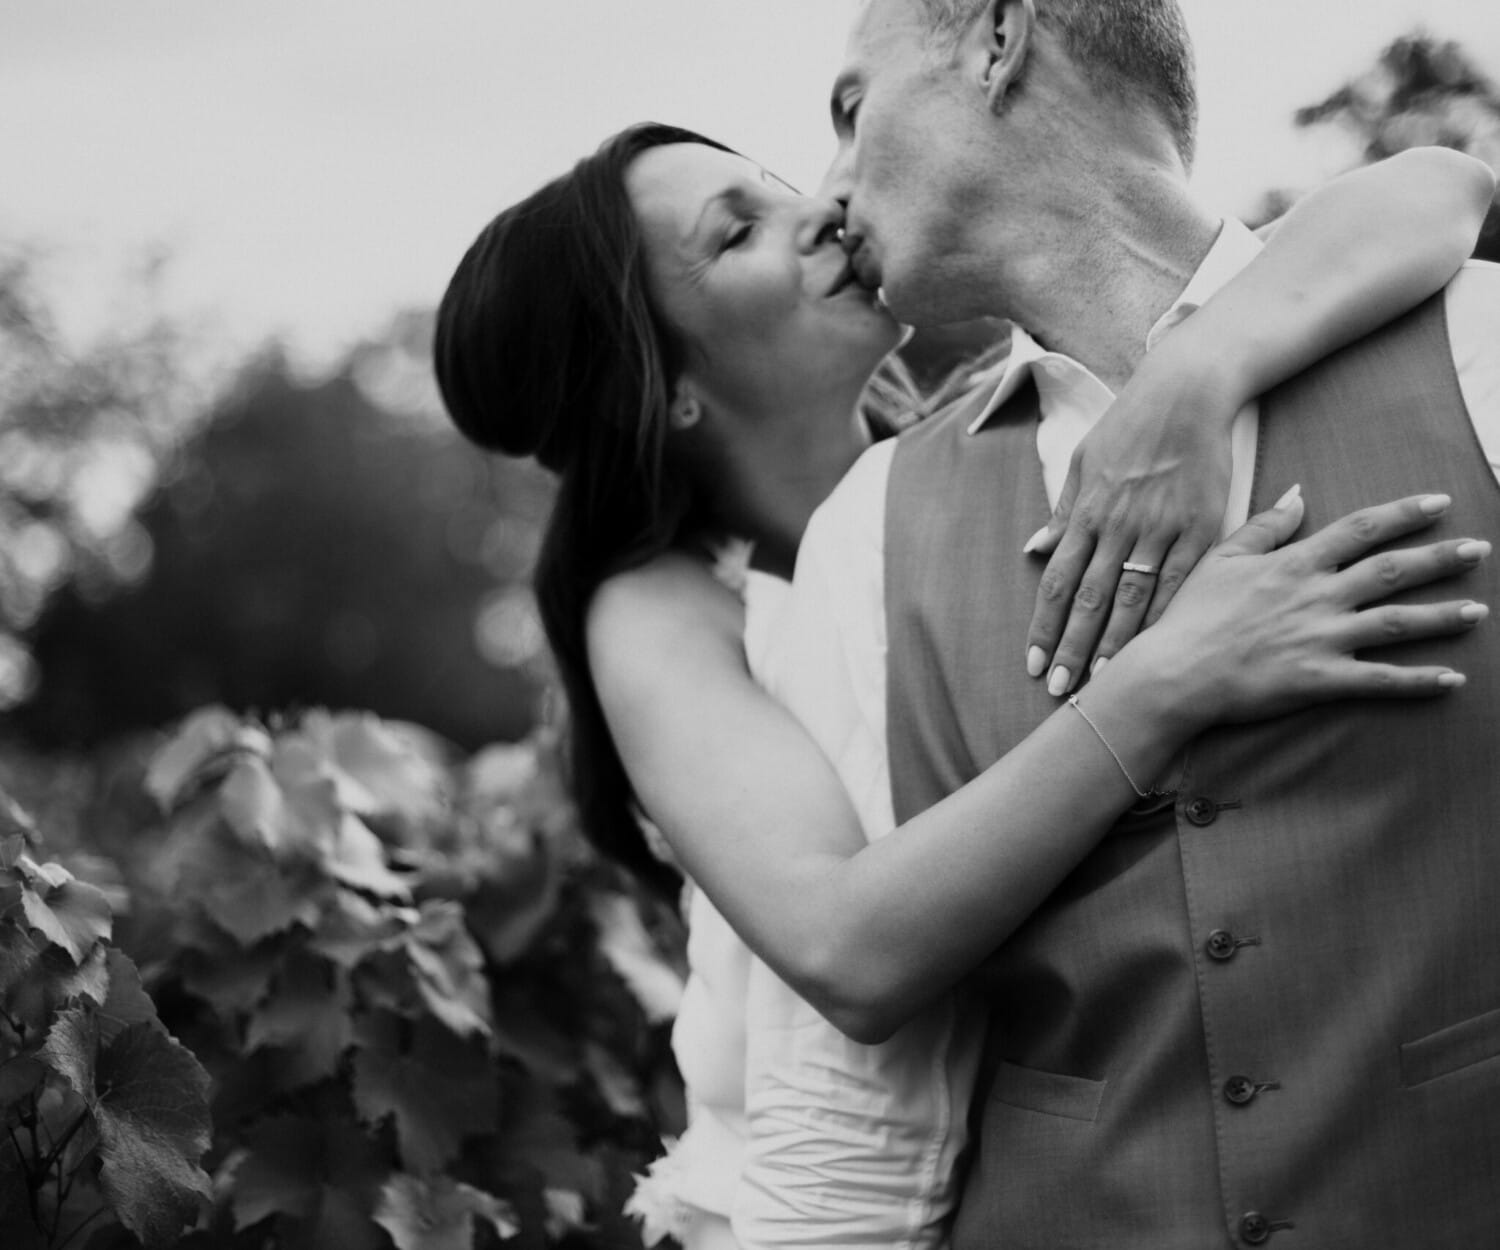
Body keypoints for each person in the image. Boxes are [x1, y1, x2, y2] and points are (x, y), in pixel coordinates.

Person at [432, 123, 1492, 1249]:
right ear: (667, 386)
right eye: (738, 232)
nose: (821, 210)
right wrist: (1171, 676)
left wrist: (1194, 366)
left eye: (783, 184)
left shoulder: (997, 454)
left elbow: (1442, 184)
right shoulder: (659, 612)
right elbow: (849, 947)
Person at [762, 1, 1500, 1246]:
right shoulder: (866, 526)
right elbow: (853, 1117)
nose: (831, 191)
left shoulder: (1479, 346)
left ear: (996, 39)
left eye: (851, 109)